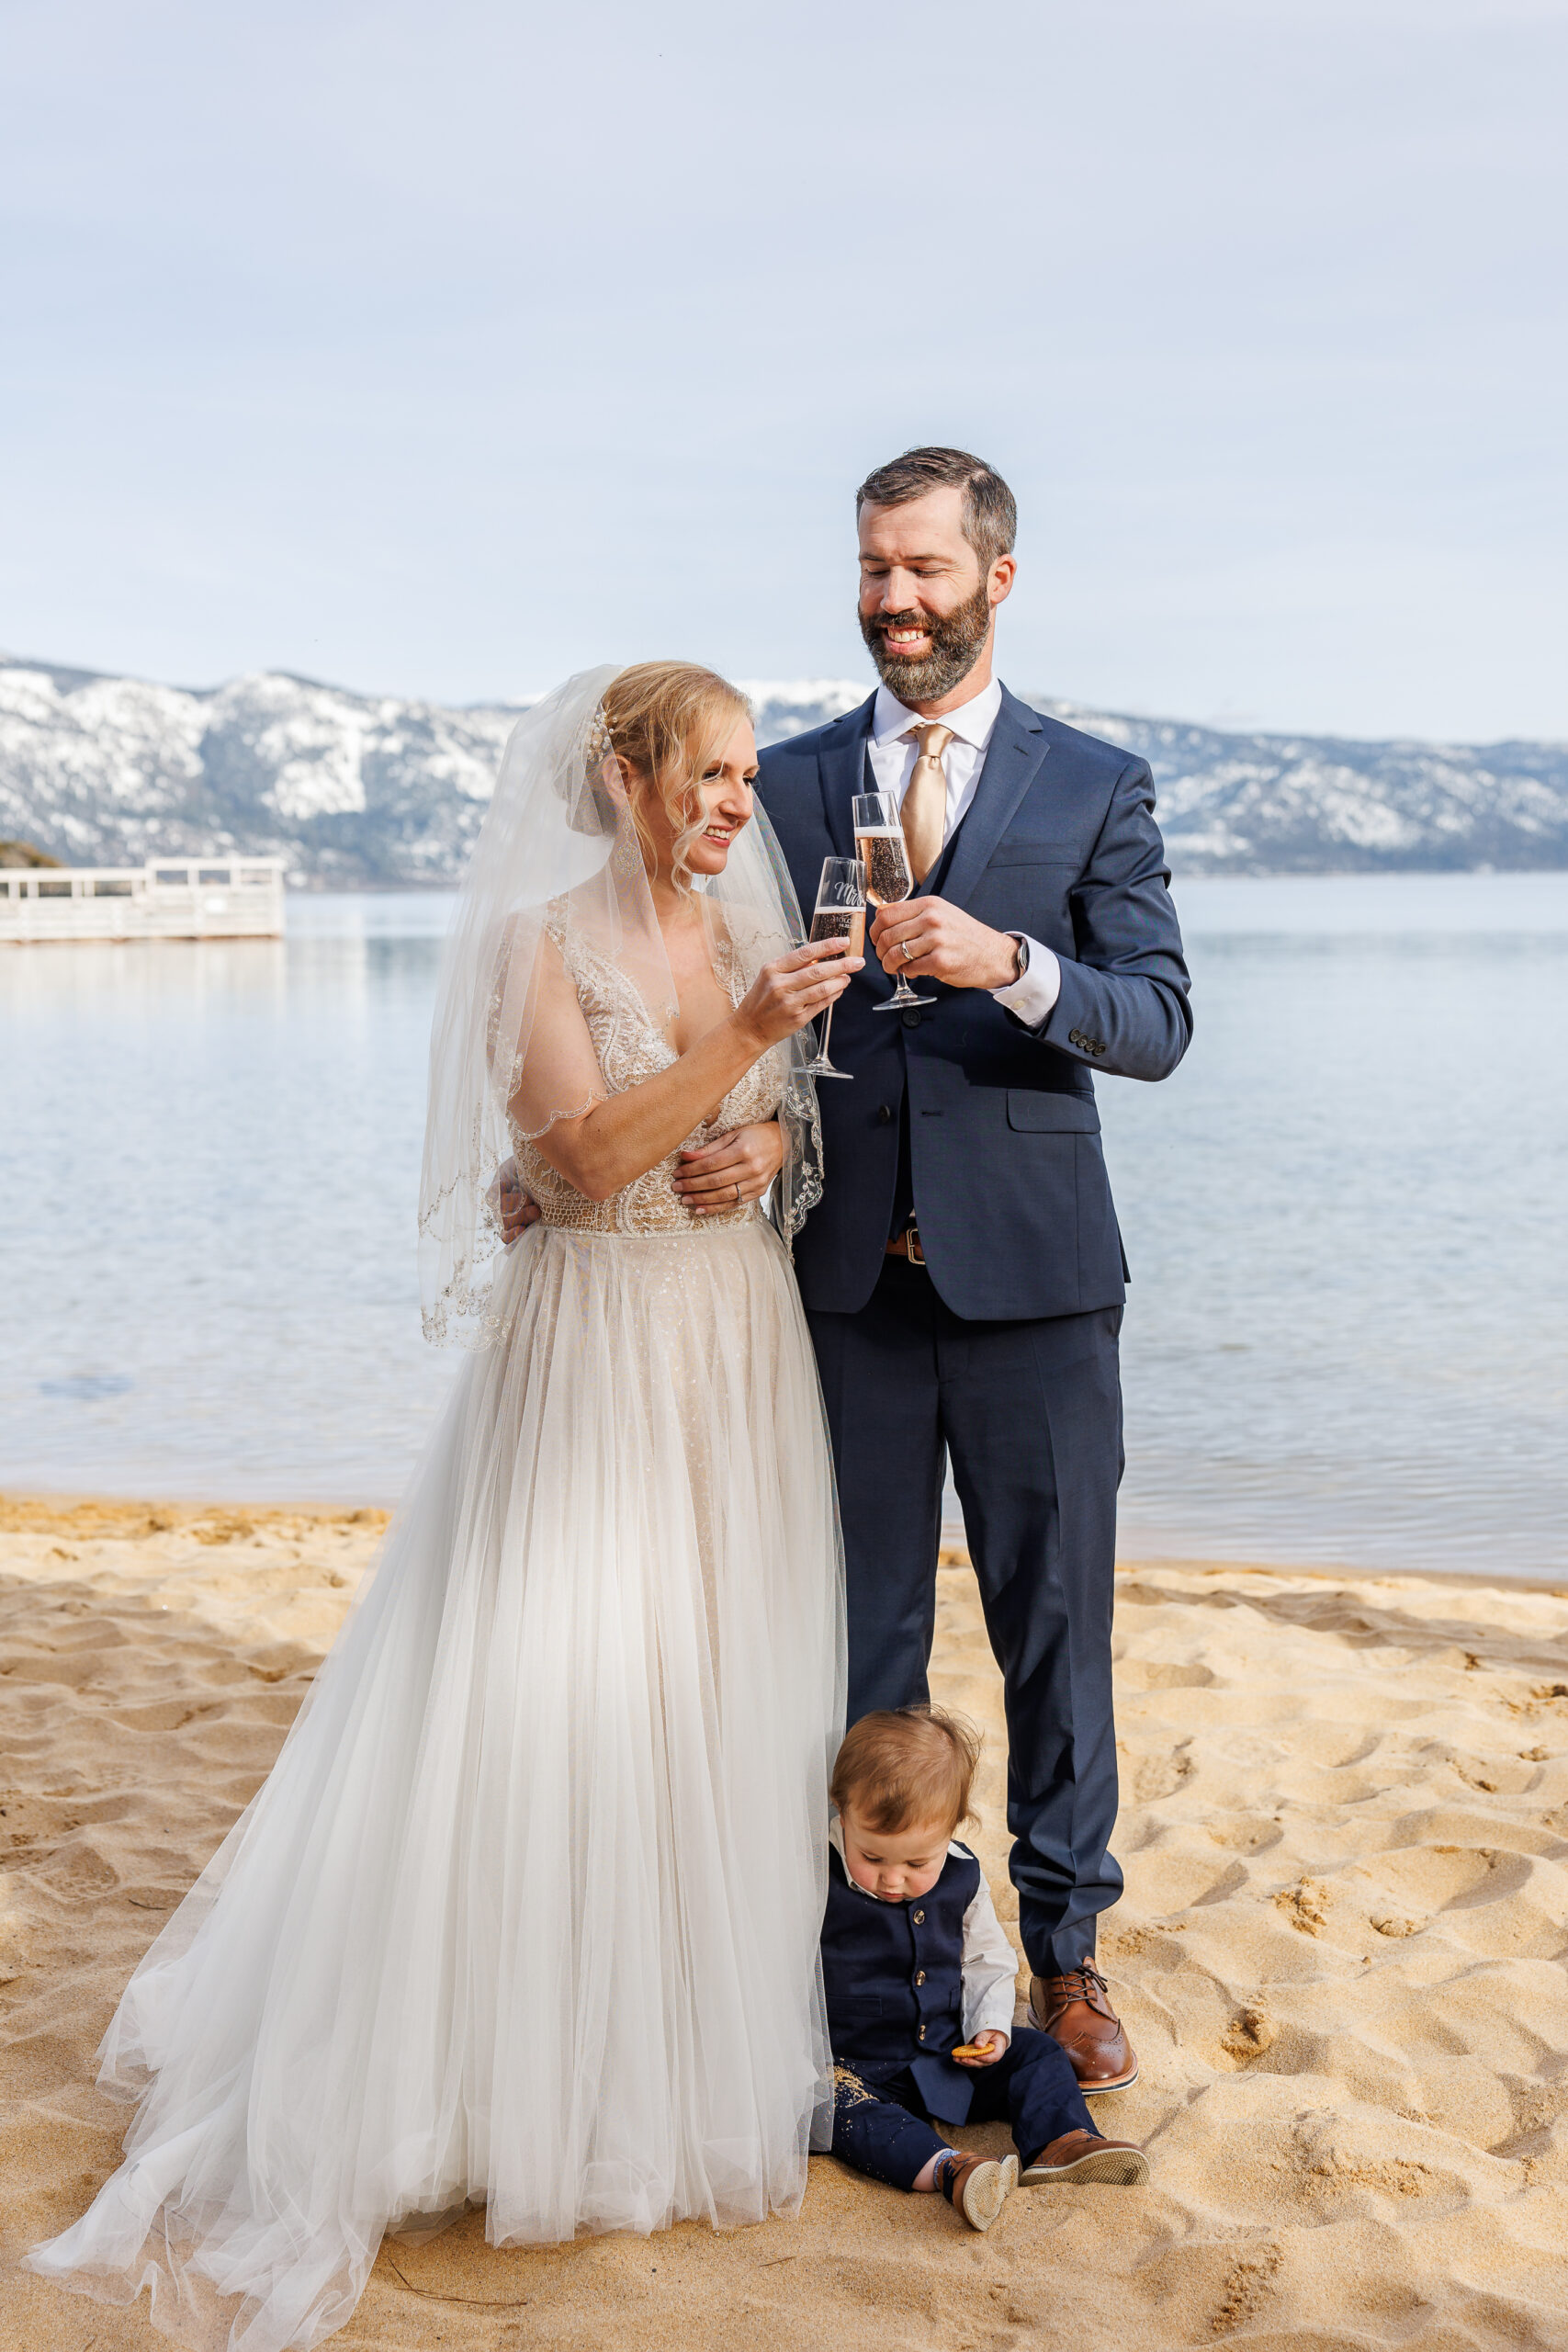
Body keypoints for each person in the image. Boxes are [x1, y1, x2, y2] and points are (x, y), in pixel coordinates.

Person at [26, 663, 850, 2352]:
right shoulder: (533, 944)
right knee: (547, 1686)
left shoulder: (743, 932)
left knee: (703, 1685)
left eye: (745, 778)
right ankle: (498, 2086)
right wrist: (754, 1039)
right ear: (623, 777)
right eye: (705, 773)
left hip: (732, 1345)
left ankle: (669, 2065)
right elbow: (570, 1168)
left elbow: (778, 1133)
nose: (729, 805)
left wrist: (770, 1142)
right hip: (599, 1345)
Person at [502, 449, 1192, 2095]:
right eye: (873, 569)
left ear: (995, 579)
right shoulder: (783, 782)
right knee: (851, 1644)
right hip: (829, 1297)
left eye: (923, 572)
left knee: (1054, 1641)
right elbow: (670, 1001)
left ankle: (1069, 1951)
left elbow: (1157, 1023)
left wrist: (1014, 966)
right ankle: (857, 1957)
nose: (893, 600)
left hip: (1035, 1286)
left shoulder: (1094, 785)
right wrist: (560, 1161)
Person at [822, 1707, 1148, 2236]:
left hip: (946, 2054)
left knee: (1039, 2052)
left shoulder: (962, 1873)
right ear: (842, 1812)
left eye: (915, 1864)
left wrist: (990, 2027)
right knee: (832, 2107)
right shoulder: (817, 1873)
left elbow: (986, 1958)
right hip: (856, 2064)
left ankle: (1061, 2140)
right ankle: (948, 2168)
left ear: (951, 1828)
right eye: (873, 1856)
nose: (893, 1880)